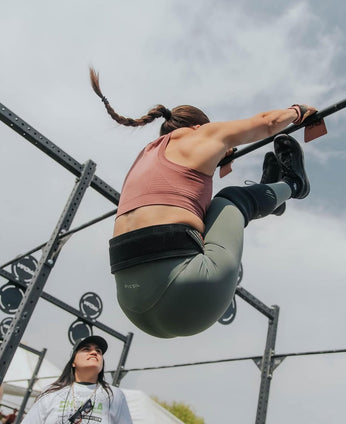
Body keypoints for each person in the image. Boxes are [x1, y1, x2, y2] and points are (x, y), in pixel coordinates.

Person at [90, 68, 317, 339]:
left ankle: (269, 198)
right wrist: (299, 110)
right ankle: (294, 185)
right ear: (198, 126)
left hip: (133, 307)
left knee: (201, 216)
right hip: (187, 295)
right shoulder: (200, 135)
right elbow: (269, 123)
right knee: (229, 201)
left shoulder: (145, 155)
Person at [21, 335, 132, 424]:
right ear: (73, 362)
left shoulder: (114, 395)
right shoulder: (51, 393)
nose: (94, 352)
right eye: (86, 349)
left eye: (99, 351)